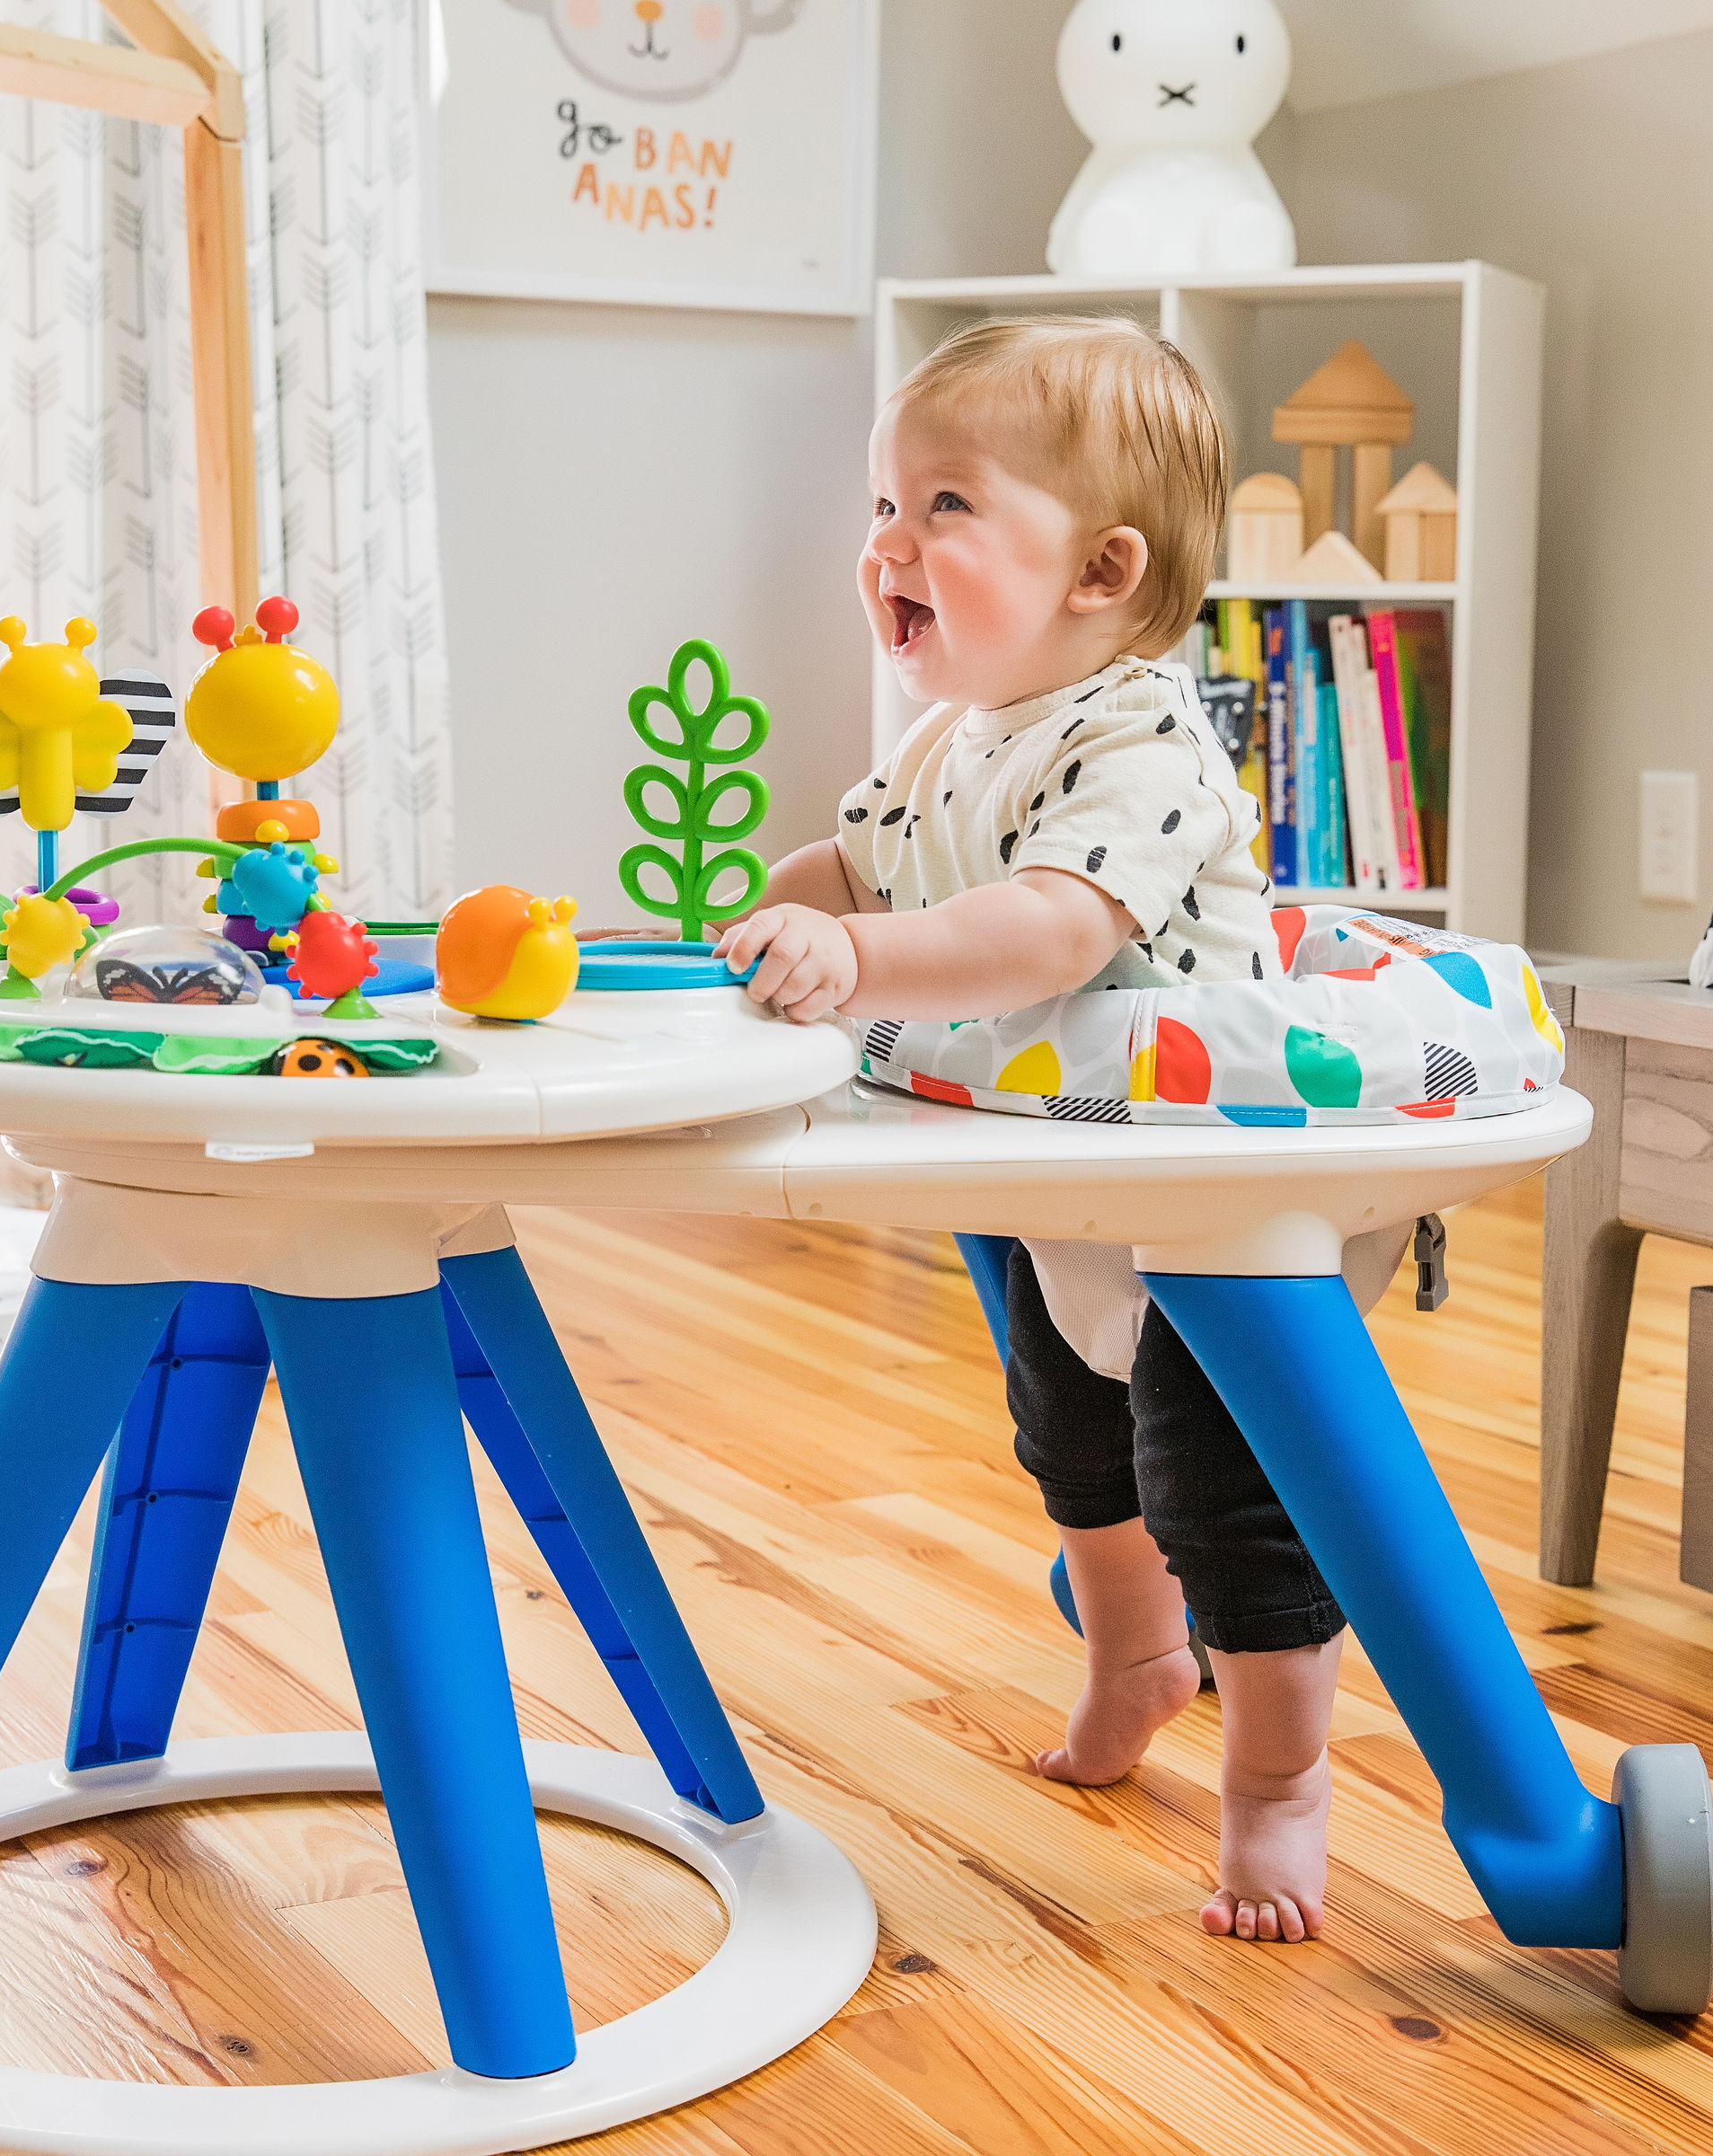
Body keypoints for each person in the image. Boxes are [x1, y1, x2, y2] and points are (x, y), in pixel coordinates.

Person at [718, 314, 1345, 1942]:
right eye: (880, 507)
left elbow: (1052, 929)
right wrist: (753, 921)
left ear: (1101, 571)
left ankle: (1279, 1785)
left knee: (1224, 1502)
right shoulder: (954, 738)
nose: (886, 547)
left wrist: (852, 966)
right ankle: (1134, 1655)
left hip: (1196, 1189)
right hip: (1051, 1161)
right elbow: (855, 869)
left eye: (944, 507)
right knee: (1072, 1451)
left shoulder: (1145, 739)